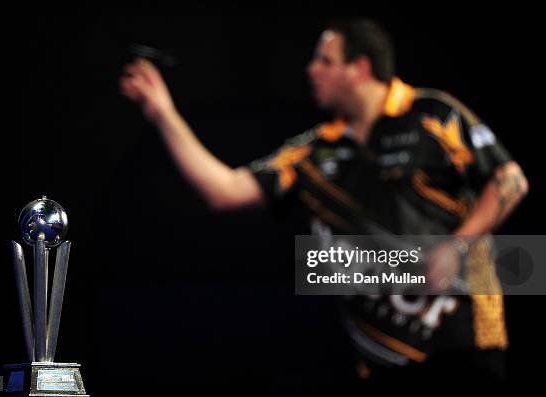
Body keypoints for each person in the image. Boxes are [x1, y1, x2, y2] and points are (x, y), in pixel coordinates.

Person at [120, 18, 528, 385]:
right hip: (384, 359)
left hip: (465, 346)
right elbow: (224, 190)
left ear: (360, 68)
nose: (311, 70)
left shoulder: (434, 114)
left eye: (325, 61)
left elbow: (510, 179)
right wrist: (163, 113)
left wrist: (456, 248)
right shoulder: (314, 153)